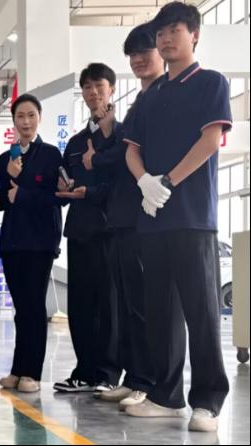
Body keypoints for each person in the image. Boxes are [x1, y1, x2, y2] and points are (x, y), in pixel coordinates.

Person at [123, 2, 231, 432]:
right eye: (161, 33)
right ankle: (166, 396)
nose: (166, 39)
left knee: (201, 311)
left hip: (192, 216)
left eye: (175, 31)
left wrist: (166, 182)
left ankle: (208, 400)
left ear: (194, 35)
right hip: (153, 217)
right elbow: (132, 150)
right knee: (161, 312)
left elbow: (211, 140)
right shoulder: (149, 96)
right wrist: (144, 181)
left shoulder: (210, 82)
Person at [94, 21, 164, 410]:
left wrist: (102, 153)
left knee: (144, 305)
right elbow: (119, 153)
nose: (138, 59)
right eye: (132, 54)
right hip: (121, 218)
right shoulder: (139, 101)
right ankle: (134, 376)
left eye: (144, 51)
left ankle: (149, 381)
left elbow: (125, 155)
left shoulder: (165, 98)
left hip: (144, 217)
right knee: (126, 304)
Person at [53, 63, 122, 395]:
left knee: (108, 305)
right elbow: (67, 182)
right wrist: (63, 187)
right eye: (87, 87)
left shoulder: (121, 135)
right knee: (80, 305)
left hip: (109, 231)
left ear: (111, 89)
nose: (93, 92)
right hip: (79, 230)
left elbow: (121, 183)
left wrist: (90, 193)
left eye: (99, 86)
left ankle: (107, 373)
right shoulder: (76, 142)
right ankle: (84, 371)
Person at [0, 94, 64, 394]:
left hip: (39, 242)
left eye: (31, 115)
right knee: (21, 308)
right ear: (13, 121)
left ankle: (32, 373)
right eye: (20, 116)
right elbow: (0, 200)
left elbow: (58, 198)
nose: (26, 122)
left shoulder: (51, 155)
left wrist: (21, 190)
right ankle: (17, 368)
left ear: (39, 118)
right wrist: (8, 177)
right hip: (13, 243)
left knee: (35, 306)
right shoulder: (5, 159)